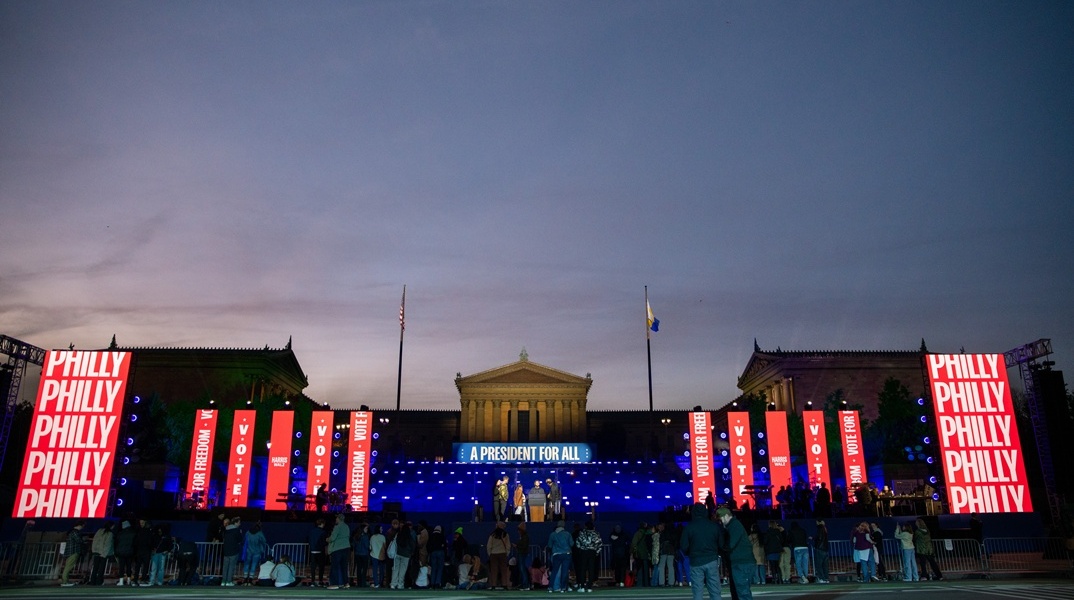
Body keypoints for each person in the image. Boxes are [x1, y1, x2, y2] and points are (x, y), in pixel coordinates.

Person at [680, 502, 723, 600]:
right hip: (711, 559)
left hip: (696, 561)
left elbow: (683, 546)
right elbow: (721, 544)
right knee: (715, 591)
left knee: (698, 592)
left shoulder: (689, 527)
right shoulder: (713, 526)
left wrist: (690, 553)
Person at [718, 507, 754, 600]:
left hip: (741, 563)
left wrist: (720, 547)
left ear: (726, 516)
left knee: (743, 593)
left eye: (721, 519)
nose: (720, 522)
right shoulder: (734, 525)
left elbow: (731, 545)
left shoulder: (734, 526)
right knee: (743, 592)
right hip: (742, 562)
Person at [546, 520, 573, 593]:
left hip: (556, 554)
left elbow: (550, 545)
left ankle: (550, 587)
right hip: (566, 554)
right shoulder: (567, 534)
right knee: (564, 571)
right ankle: (563, 588)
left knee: (554, 571)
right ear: (564, 526)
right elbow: (572, 544)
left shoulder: (553, 534)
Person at [576, 521, 602, 592]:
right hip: (592, 552)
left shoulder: (582, 533)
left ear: (585, 526)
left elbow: (578, 542)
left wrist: (581, 549)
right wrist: (596, 552)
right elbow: (599, 544)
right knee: (591, 569)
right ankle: (590, 587)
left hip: (584, 552)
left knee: (583, 569)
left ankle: (582, 586)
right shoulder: (596, 533)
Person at [326, 513, 351, 589]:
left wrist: (327, 539)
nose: (335, 520)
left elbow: (332, 538)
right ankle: (346, 583)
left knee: (335, 567)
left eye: (336, 518)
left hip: (337, 549)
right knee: (344, 567)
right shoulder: (346, 526)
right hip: (346, 548)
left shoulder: (337, 527)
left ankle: (334, 584)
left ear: (339, 519)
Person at [486, 521, 512, 589]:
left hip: (493, 554)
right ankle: (504, 584)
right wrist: (507, 553)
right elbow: (508, 545)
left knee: (494, 570)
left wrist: (490, 554)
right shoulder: (505, 535)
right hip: (503, 553)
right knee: (503, 570)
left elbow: (489, 545)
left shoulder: (492, 535)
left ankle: (493, 585)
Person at [390, 522, 415, 590]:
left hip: (397, 554)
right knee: (402, 571)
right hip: (406, 556)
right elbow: (413, 546)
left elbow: (396, 543)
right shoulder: (409, 537)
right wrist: (410, 552)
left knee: (395, 569)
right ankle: (400, 585)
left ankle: (393, 584)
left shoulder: (398, 535)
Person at [60, 520, 85, 586]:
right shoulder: (75, 532)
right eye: (82, 526)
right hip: (73, 551)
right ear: (79, 525)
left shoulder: (71, 532)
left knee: (68, 566)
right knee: (68, 566)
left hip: (70, 551)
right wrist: (84, 539)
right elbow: (79, 540)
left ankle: (65, 580)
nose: (82, 527)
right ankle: (65, 581)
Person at [89, 521, 114, 586]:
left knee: (95, 567)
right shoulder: (109, 533)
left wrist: (93, 550)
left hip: (96, 551)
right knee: (101, 568)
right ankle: (99, 581)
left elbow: (95, 540)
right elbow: (107, 544)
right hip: (103, 553)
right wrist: (104, 554)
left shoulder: (99, 531)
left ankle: (92, 581)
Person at [221, 516, 243, 586]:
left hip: (226, 550)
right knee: (231, 567)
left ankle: (223, 581)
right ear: (235, 523)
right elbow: (240, 540)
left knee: (225, 567)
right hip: (234, 550)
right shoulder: (236, 530)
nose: (240, 524)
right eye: (239, 522)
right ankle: (229, 581)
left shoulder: (226, 529)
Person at [114, 520, 135, 586]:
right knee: (129, 566)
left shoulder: (120, 533)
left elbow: (116, 542)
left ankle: (121, 581)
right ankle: (129, 580)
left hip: (121, 552)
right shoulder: (133, 533)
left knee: (121, 567)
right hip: (130, 552)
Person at [308, 517, 328, 586]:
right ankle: (320, 581)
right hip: (320, 551)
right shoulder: (323, 532)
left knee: (313, 568)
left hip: (313, 551)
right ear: (322, 524)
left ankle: (313, 581)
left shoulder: (312, 531)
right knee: (321, 567)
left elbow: (309, 540)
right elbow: (324, 542)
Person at [631, 521, 652, 587]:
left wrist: (633, 552)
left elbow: (634, 543)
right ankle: (646, 583)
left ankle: (640, 584)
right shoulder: (648, 533)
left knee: (640, 569)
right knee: (646, 570)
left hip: (639, 554)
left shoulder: (637, 533)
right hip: (646, 554)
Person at [352, 522, 371, 588]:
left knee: (359, 569)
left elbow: (353, 545)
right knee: (364, 569)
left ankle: (359, 583)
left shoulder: (356, 536)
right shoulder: (365, 536)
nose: (367, 529)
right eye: (366, 528)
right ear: (363, 528)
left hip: (357, 554)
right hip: (364, 554)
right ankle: (363, 583)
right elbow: (367, 546)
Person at [427, 525, 446, 589]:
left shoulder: (431, 536)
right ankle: (437, 583)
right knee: (440, 568)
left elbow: (428, 545)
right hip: (440, 552)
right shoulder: (442, 536)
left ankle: (432, 583)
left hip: (433, 553)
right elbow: (445, 545)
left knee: (433, 568)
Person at [515, 522, 533, 590]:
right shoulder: (523, 537)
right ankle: (524, 584)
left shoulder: (525, 537)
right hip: (522, 553)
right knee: (523, 569)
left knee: (523, 569)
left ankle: (525, 585)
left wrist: (517, 546)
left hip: (522, 554)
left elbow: (524, 546)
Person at [369, 524, 387, 588]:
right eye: (381, 528)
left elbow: (370, 547)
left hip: (374, 555)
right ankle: (381, 583)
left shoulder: (372, 537)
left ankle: (376, 584)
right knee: (382, 570)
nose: (382, 529)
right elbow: (385, 546)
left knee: (375, 570)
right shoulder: (383, 537)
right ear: (379, 529)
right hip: (381, 556)